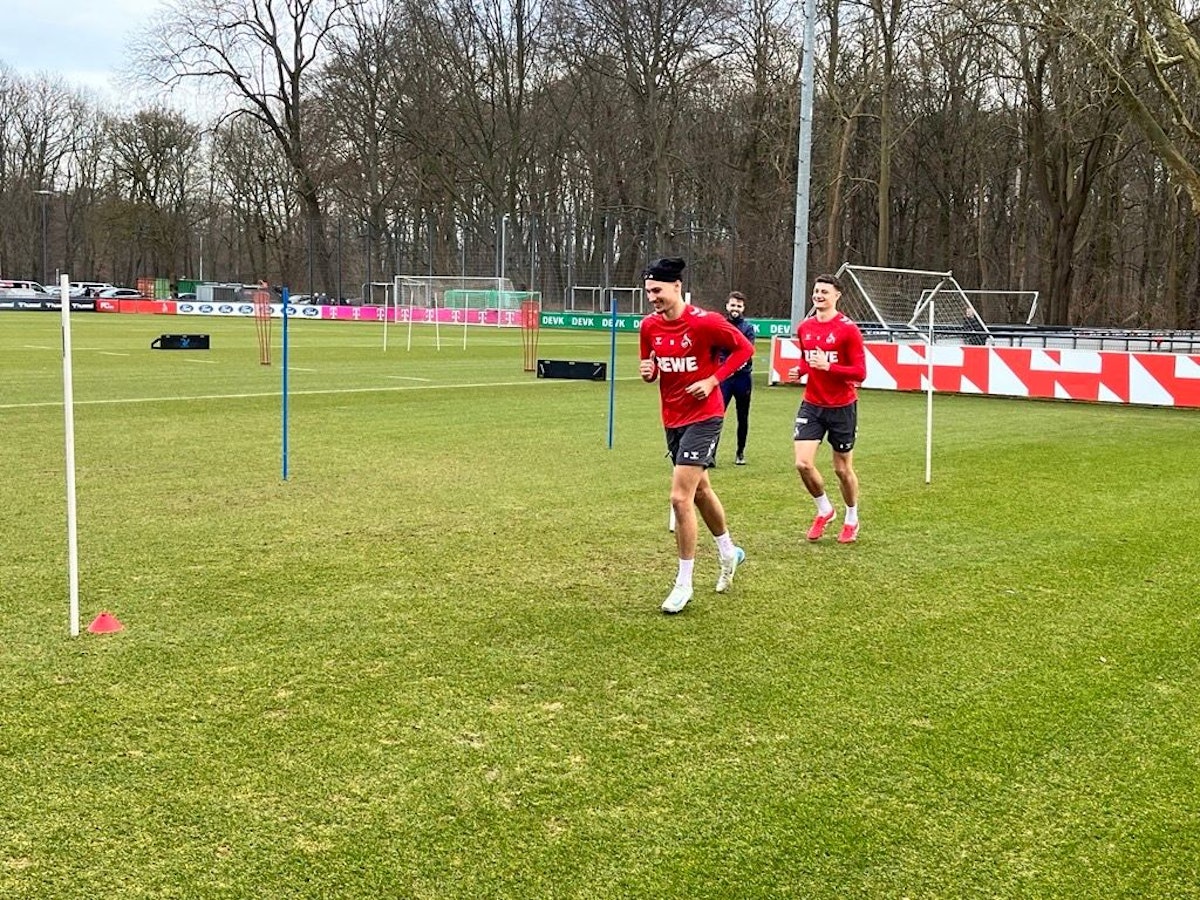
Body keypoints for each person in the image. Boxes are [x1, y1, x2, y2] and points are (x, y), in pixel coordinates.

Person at [639, 257, 755, 614]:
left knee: (679, 498)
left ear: (677, 287)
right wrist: (648, 370)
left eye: (657, 291)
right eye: (648, 293)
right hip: (672, 418)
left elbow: (745, 350)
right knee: (701, 490)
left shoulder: (706, 323)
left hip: (705, 416)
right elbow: (651, 370)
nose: (652, 298)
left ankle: (683, 583)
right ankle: (728, 551)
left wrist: (712, 380)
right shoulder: (648, 327)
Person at [787, 274, 867, 544]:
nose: (819, 295)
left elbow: (860, 373)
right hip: (812, 404)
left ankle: (852, 517)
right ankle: (824, 509)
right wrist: (801, 369)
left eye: (824, 291)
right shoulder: (805, 327)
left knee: (842, 470)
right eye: (816, 291)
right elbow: (806, 357)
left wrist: (828, 367)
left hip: (842, 407)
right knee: (802, 463)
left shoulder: (848, 329)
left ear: (837, 296)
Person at [718, 290, 757, 465]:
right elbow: (717, 351)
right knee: (716, 416)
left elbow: (748, 352)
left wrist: (734, 366)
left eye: (739, 306)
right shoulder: (720, 325)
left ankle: (740, 452)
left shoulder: (748, 328)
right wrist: (724, 368)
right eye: (733, 305)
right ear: (727, 306)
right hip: (725, 379)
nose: (735, 308)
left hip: (742, 378)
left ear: (743, 308)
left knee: (743, 416)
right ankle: (710, 454)